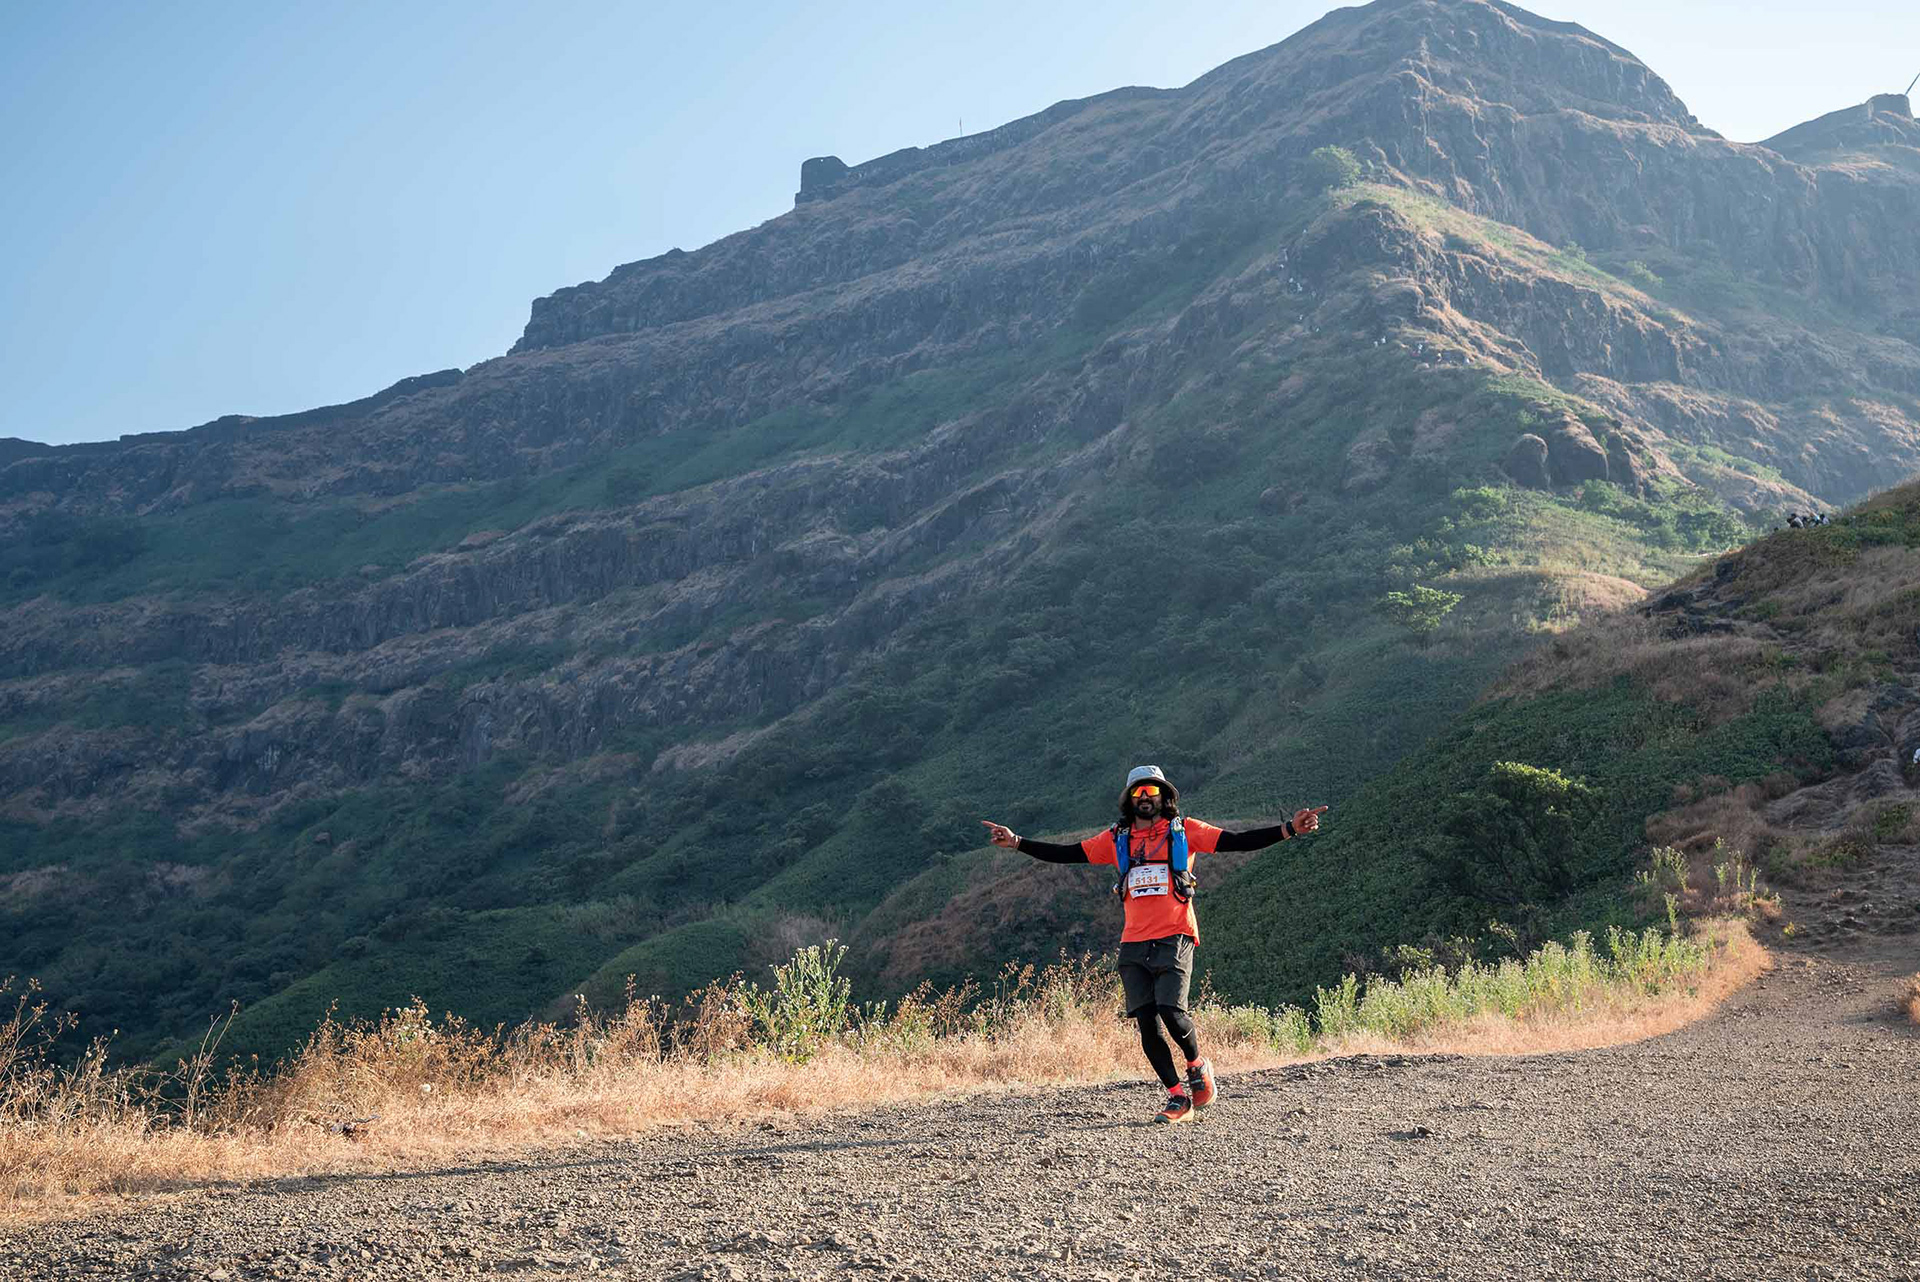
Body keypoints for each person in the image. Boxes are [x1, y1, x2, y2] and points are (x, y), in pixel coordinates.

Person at [981, 765, 1327, 1124]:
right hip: (1133, 941)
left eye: (1152, 791)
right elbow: (1067, 853)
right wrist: (1017, 842)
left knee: (1171, 1010)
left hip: (1175, 934)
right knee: (1146, 1023)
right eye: (1138, 792)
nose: (1145, 797)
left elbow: (1236, 841)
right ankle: (1177, 1096)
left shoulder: (1185, 831)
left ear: (1165, 796)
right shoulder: (1117, 838)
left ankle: (1196, 1065)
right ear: (1129, 800)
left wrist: (1289, 829)